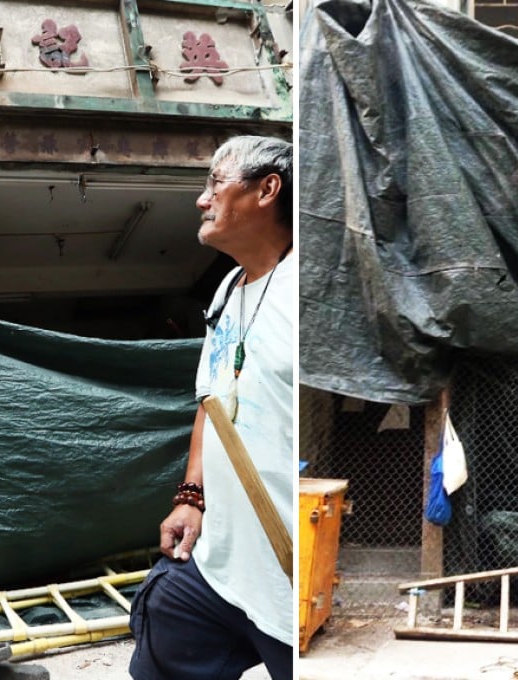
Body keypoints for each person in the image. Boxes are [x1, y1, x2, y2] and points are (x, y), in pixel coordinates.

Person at [129, 135, 294, 680]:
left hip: (287, 579)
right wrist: (191, 496)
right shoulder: (226, 289)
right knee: (160, 625)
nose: (202, 199)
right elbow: (213, 402)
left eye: (214, 184)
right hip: (218, 565)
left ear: (268, 189)